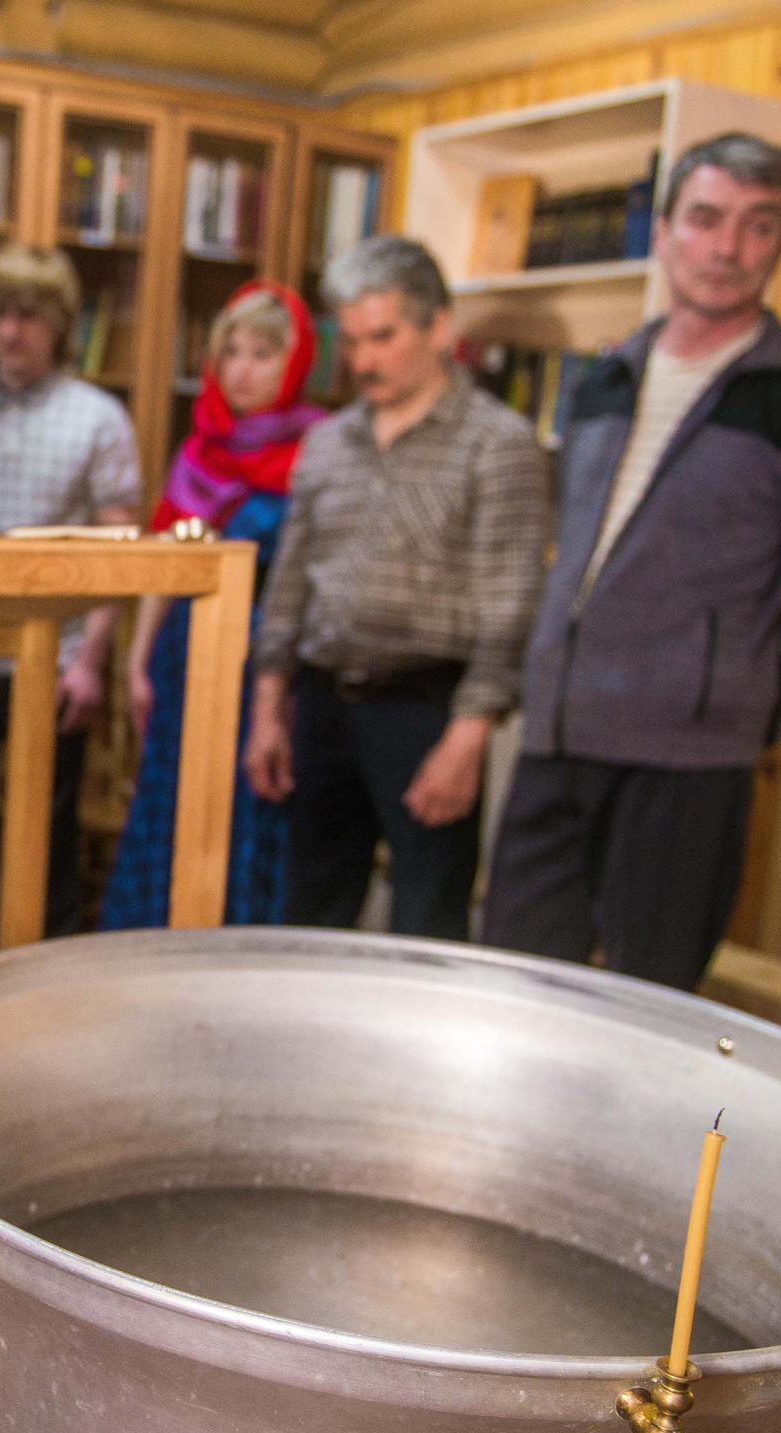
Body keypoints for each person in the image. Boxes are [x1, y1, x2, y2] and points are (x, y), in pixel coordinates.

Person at [482, 133, 781, 991]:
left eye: (758, 225)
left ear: (780, 242)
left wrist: (741, 699)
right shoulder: (602, 378)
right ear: (662, 232)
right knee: (511, 983)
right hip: (556, 733)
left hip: (689, 761)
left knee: (650, 1005)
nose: (727, 249)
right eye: (705, 219)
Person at [243, 237, 548, 939]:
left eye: (383, 336)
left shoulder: (497, 442)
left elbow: (511, 604)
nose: (364, 360)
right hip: (321, 702)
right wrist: (268, 707)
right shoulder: (326, 441)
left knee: (426, 921)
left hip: (425, 708)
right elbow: (290, 582)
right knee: (311, 912)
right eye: (350, 341)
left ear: (438, 327)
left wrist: (465, 741)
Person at [0, 243, 142, 955]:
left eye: (30, 317)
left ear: (61, 324)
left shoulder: (100, 418)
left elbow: (119, 552)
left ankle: (44, 973)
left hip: (55, 660)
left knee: (45, 829)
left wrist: (90, 662)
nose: (11, 331)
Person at [100, 280, 325, 930]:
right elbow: (166, 557)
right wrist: (138, 660)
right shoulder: (199, 449)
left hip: (267, 660)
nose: (244, 368)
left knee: (247, 805)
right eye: (232, 351)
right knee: (174, 799)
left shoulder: (318, 449)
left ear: (296, 362)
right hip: (186, 654)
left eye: (263, 352)